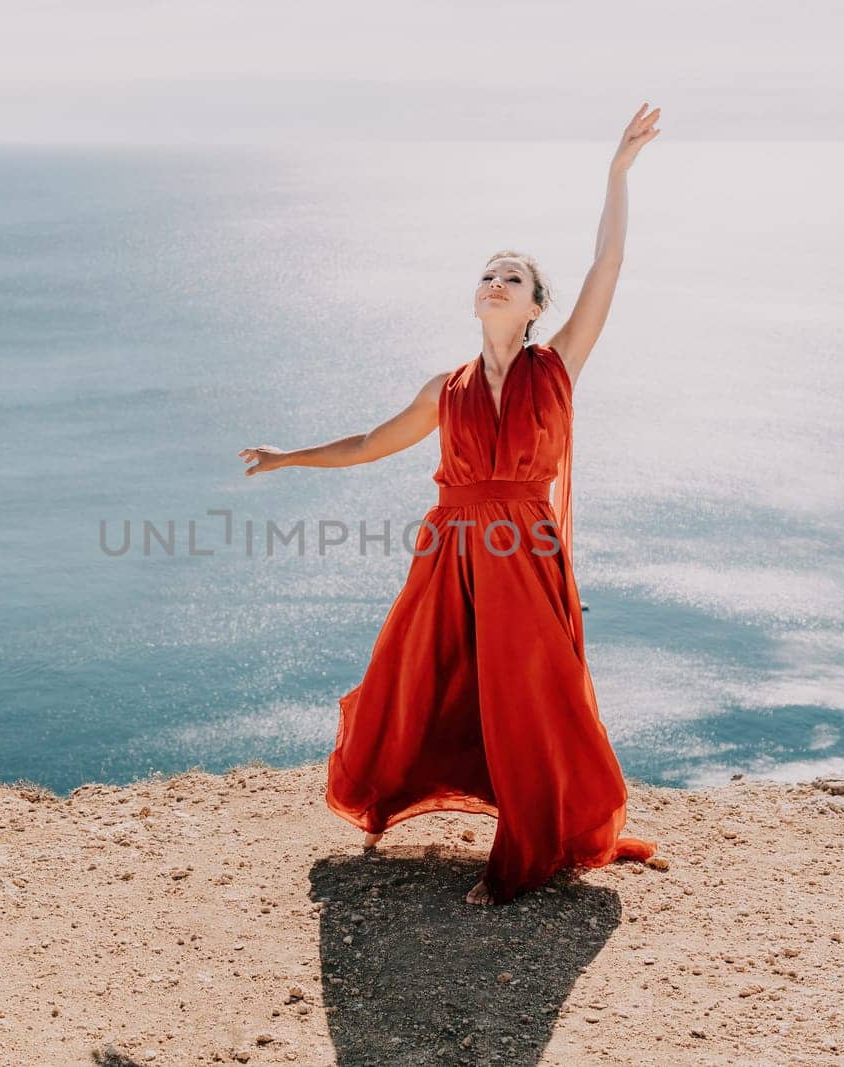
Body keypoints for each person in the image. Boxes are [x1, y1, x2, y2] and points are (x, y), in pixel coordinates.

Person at [238, 103, 663, 905]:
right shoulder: (446, 389)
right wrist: (288, 455)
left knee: (534, 689)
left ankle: (532, 848)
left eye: (514, 276)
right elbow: (369, 442)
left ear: (536, 305)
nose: (495, 281)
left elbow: (607, 265)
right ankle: (403, 789)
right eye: (487, 273)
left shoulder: (558, 368)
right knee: (420, 674)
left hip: (522, 551)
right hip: (452, 549)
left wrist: (616, 174)